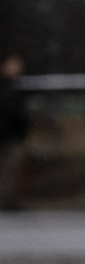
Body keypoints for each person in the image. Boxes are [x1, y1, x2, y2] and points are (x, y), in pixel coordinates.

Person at [0, 55, 28, 212]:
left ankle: (9, 201)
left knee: (11, 171)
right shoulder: (5, 87)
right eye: (13, 64)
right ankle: (6, 202)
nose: (17, 68)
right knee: (6, 170)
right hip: (7, 137)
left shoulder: (15, 85)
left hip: (13, 136)